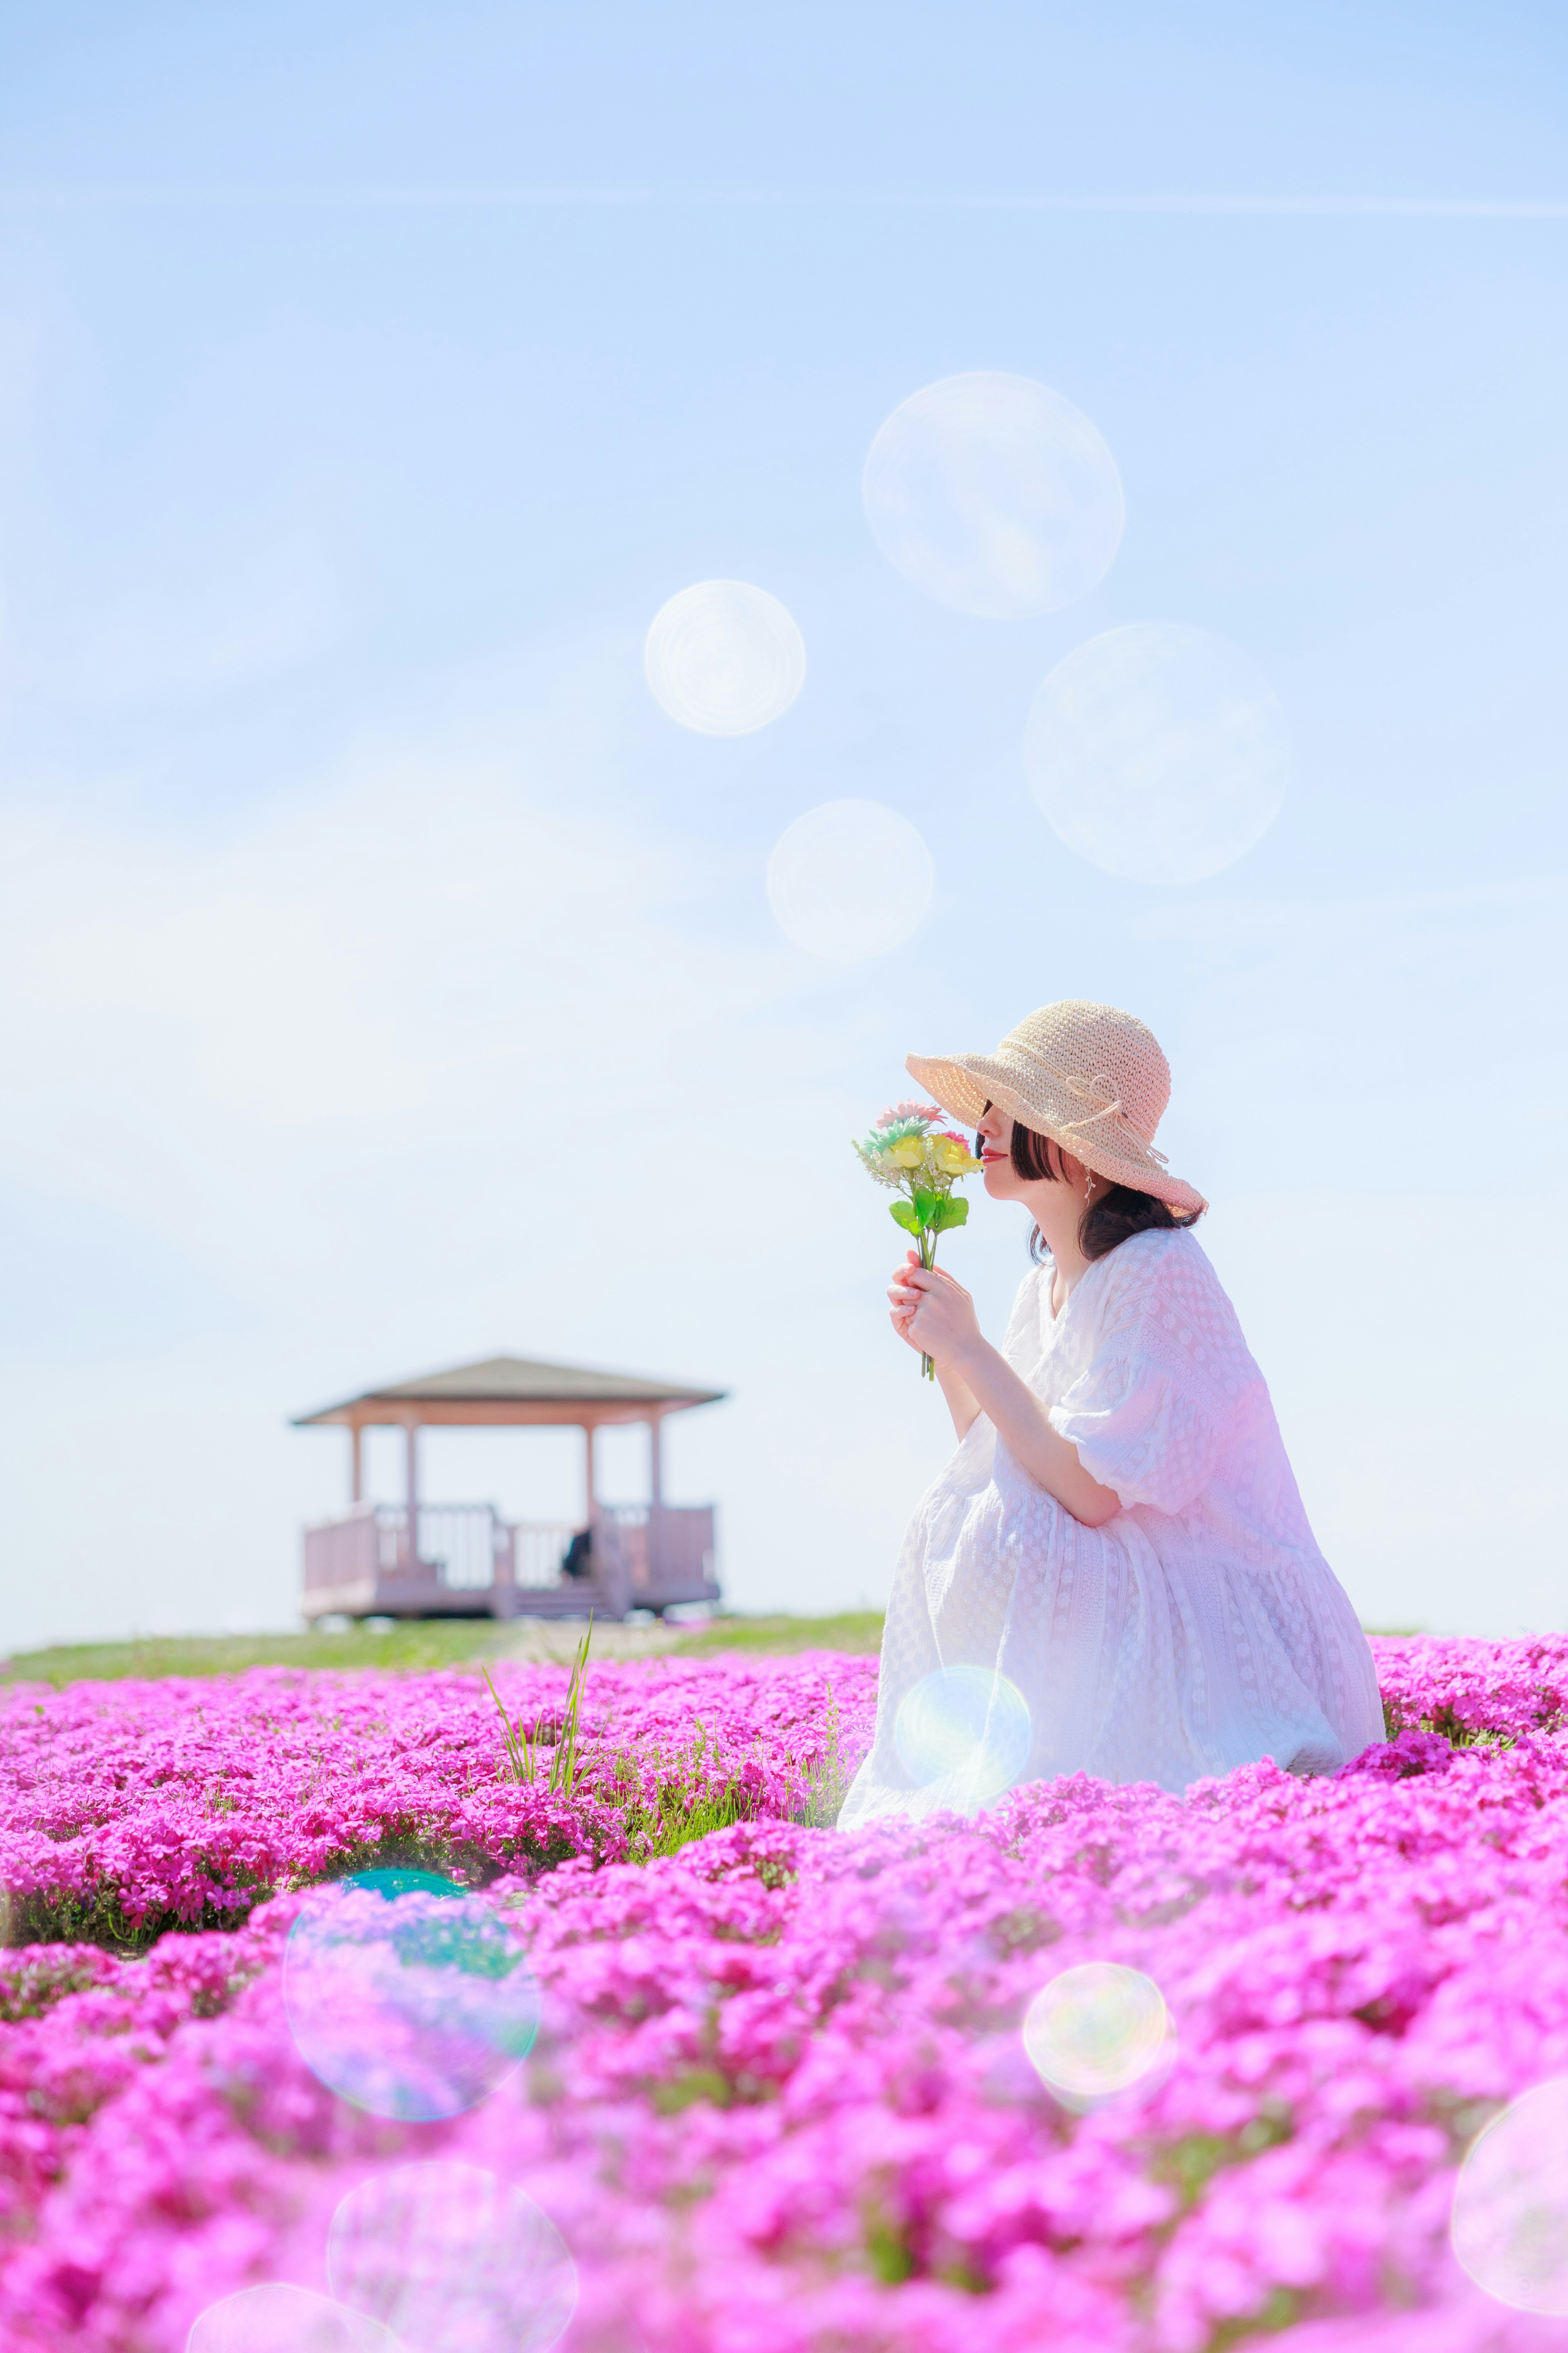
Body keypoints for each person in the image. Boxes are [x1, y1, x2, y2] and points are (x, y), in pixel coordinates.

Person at [836, 999, 1383, 1826]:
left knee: (1009, 1521)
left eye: (1008, 1106)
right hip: (1148, 1573)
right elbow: (1002, 1459)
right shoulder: (1041, 1288)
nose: (982, 1124)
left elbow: (1089, 1493)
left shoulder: (1159, 1270)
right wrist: (948, 1347)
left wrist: (974, 1349)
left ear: (1073, 1141)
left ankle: (1035, 1768)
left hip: (1226, 1612)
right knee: (963, 1508)